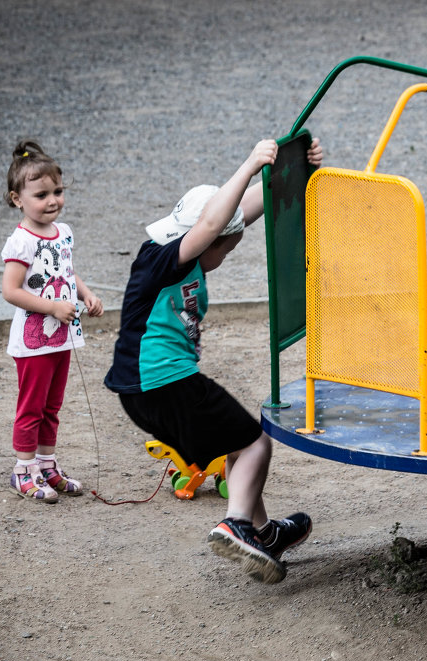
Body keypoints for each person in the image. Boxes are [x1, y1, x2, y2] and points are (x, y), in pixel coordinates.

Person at [104, 137, 324, 583]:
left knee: (237, 444)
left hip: (145, 390)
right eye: (227, 248)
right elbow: (212, 223)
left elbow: (237, 212)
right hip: (164, 382)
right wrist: (247, 164)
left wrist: (293, 169)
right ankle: (236, 523)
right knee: (257, 442)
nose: (226, 254)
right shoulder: (166, 259)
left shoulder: (179, 251)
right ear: (205, 239)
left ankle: (264, 534)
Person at [1, 140, 104, 503]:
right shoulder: (21, 241)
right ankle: (22, 470)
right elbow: (11, 291)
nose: (52, 201)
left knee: (52, 406)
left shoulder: (64, 232)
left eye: (57, 191)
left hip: (62, 336)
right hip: (33, 342)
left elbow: (66, 272)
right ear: (18, 199)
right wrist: (51, 307)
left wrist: (85, 294)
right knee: (31, 406)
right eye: (41, 194)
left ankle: (46, 465)